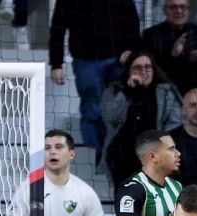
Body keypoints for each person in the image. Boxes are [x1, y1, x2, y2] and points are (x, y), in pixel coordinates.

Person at [49, 0, 141, 161]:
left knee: (120, 111)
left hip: (118, 60)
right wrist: (56, 63)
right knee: (92, 111)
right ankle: (95, 158)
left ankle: (117, 156)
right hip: (86, 61)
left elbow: (132, 20)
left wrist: (131, 50)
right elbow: (58, 27)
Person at [99, 51, 182, 190]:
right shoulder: (115, 90)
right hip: (122, 155)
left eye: (148, 67)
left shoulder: (167, 91)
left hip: (156, 155)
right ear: (129, 70)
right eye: (137, 67)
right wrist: (127, 91)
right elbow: (111, 117)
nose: (143, 71)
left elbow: (176, 122)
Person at [141, 0, 197, 94]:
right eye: (173, 7)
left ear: (189, 11)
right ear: (164, 11)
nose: (179, 11)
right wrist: (173, 57)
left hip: (194, 92)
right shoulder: (150, 35)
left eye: (183, 7)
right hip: (160, 91)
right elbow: (151, 69)